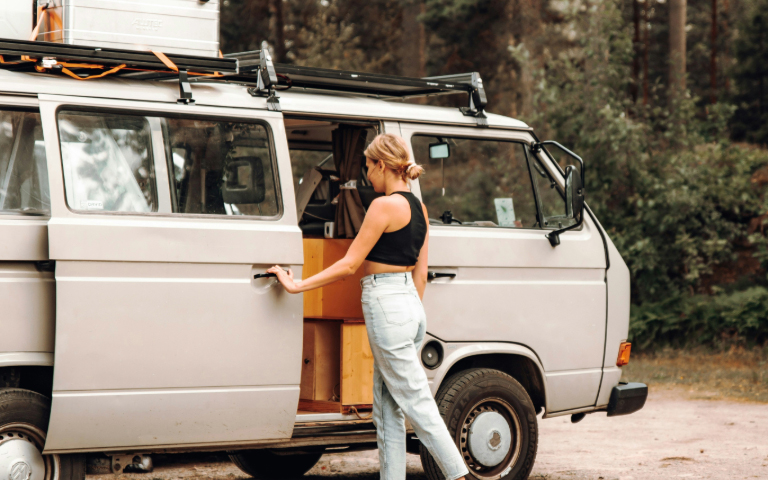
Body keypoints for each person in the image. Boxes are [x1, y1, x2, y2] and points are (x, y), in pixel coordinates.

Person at [267, 133, 469, 480]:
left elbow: (349, 264)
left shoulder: (383, 206)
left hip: (387, 304)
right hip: (410, 306)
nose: (366, 176)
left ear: (381, 164)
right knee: (386, 410)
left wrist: (297, 284)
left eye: (367, 168)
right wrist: (406, 311)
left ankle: (458, 474)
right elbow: (420, 274)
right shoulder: (419, 209)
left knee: (418, 405)